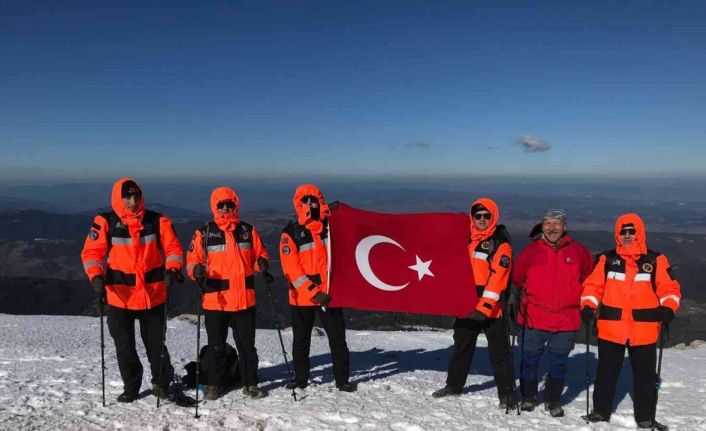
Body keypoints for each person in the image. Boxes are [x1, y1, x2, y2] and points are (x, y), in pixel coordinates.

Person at [80, 178, 185, 403]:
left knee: (156, 344)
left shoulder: (157, 220)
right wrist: (96, 277)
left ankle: (162, 383)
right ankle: (132, 386)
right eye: (127, 197)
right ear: (118, 198)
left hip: (152, 294)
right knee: (124, 346)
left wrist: (173, 267)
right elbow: (91, 254)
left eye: (136, 196)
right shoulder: (104, 221)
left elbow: (173, 247)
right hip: (119, 297)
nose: (132, 201)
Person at [581, 214, 681, 431]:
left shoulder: (655, 260)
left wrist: (668, 308)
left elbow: (670, 289)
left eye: (631, 231)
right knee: (606, 374)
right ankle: (600, 412)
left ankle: (645, 418)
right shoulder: (606, 260)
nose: (627, 235)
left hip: (644, 329)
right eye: (622, 231)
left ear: (639, 232)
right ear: (617, 234)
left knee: (645, 378)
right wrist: (588, 306)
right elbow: (592, 287)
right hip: (611, 328)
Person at [186, 186, 272, 400]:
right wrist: (195, 271)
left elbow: (261, 254)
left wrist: (262, 262)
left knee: (247, 346)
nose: (225, 208)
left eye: (229, 204)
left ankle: (250, 383)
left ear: (235, 205)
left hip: (244, 299)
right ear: (215, 207)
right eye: (221, 205)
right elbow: (191, 261)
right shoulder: (204, 233)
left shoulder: (248, 231)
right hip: (216, 301)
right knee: (216, 346)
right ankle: (215, 384)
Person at [432, 198, 515, 409]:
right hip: (465, 305)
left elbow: (498, 279)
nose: (482, 220)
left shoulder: (500, 243)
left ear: (493, 217)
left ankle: (506, 395)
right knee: (461, 348)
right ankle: (453, 386)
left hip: (491, 310)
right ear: (472, 216)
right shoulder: (464, 237)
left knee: (499, 354)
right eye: (478, 216)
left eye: (487, 216)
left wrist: (484, 308)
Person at [510, 208, 594, 417]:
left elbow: (590, 279)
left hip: (567, 318)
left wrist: (587, 304)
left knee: (558, 363)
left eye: (557, 223)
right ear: (542, 226)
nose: (552, 227)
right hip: (534, 316)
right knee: (529, 361)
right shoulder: (531, 252)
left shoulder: (578, 252)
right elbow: (518, 279)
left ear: (565, 226)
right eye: (548, 223)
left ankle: (552, 400)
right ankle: (529, 397)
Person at [279, 184, 353, 392]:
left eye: (314, 200)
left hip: (330, 294)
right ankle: (301, 378)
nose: (310, 204)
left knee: (338, 339)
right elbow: (292, 271)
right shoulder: (291, 233)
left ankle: (342, 379)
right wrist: (314, 293)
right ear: (298, 203)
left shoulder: (331, 226)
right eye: (306, 200)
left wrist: (341, 214)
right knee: (301, 340)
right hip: (304, 297)